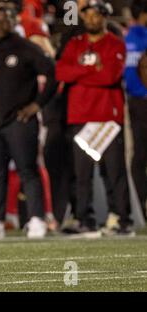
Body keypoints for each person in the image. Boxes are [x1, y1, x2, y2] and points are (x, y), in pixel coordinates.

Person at [0, 2, 56, 239]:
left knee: (28, 170)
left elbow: (53, 73)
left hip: (20, 119)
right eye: (0, 17)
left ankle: (37, 219)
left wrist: (36, 105)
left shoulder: (28, 48)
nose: (4, 20)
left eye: (9, 16)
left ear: (16, 20)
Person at [56, 0, 133, 235]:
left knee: (114, 172)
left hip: (107, 117)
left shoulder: (115, 44)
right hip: (80, 116)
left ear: (105, 17)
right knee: (82, 174)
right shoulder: (75, 43)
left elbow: (109, 76)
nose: (92, 19)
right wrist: (92, 70)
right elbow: (61, 71)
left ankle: (121, 220)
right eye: (88, 15)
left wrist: (79, 73)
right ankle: (84, 219)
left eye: (97, 15)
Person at [124, 0, 147, 219]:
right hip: (140, 100)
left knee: (139, 154)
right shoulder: (138, 36)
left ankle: (141, 204)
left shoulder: (125, 37)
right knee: (140, 154)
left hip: (134, 102)